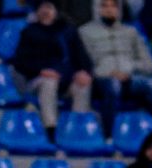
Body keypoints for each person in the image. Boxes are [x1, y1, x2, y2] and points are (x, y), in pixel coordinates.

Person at [80, 0, 152, 141]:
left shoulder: (131, 32)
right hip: (101, 80)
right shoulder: (85, 32)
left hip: (130, 77)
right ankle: (108, 137)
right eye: (104, 6)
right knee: (113, 86)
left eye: (113, 6)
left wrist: (129, 70)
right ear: (97, 9)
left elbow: (149, 65)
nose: (109, 10)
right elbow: (84, 65)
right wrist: (108, 72)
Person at [11, 0, 93, 142]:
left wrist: (84, 72)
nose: (46, 11)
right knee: (49, 82)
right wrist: (41, 71)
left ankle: (77, 128)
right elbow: (20, 62)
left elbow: (83, 57)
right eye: (42, 8)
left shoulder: (68, 31)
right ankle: (51, 128)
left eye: (49, 7)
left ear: (56, 11)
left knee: (82, 85)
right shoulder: (29, 32)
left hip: (66, 80)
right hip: (37, 81)